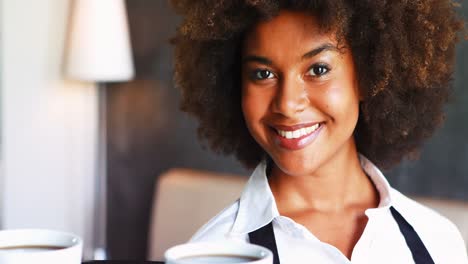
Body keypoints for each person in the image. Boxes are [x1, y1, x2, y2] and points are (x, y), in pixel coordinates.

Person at [170, 0, 467, 263]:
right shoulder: (216, 252)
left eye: (318, 70)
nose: (287, 104)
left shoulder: (438, 241)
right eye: (264, 74)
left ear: (367, 76)